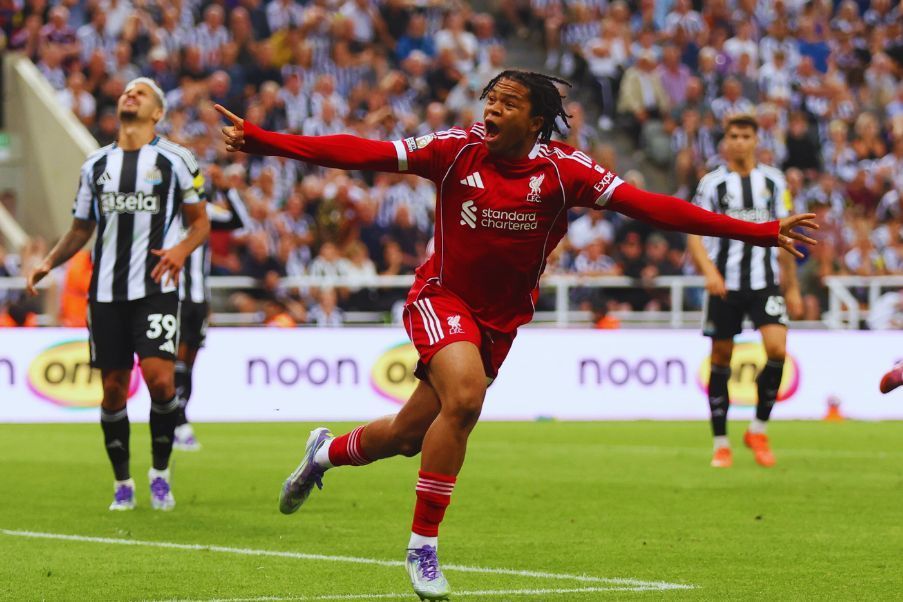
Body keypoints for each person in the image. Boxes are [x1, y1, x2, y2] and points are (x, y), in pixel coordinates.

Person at [216, 70, 817, 600]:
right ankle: (422, 546)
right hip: (440, 298)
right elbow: (359, 152)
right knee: (467, 400)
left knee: (404, 437)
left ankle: (322, 453)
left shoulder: (566, 172)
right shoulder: (454, 150)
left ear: (535, 120)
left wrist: (758, 232)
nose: (491, 109)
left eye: (505, 102)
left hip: (500, 322)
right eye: (489, 99)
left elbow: (653, 206)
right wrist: (265, 141)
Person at [26, 78, 210, 511]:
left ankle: (160, 473)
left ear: (157, 113)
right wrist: (49, 261)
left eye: (141, 92)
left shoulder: (178, 159)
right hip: (105, 293)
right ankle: (122, 481)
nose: (131, 94)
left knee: (161, 379)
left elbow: (199, 222)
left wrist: (181, 251)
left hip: (156, 287)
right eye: (127, 90)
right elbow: (80, 228)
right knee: (112, 389)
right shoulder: (95, 164)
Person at [687, 114, 803, 470]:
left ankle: (758, 429)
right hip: (726, 284)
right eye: (733, 136)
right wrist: (709, 272)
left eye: (745, 136)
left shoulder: (773, 181)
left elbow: (786, 234)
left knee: (777, 349)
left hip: (764, 282)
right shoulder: (712, 184)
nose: (739, 142)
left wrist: (793, 287)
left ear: (756, 140)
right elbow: (692, 232)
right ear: (725, 142)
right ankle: (721, 443)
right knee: (720, 358)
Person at [173, 173, 250, 451]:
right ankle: (178, 422)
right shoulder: (165, 215)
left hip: (198, 300)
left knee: (190, 362)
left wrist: (227, 191)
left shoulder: (204, 214)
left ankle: (180, 419)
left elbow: (241, 223)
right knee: (177, 361)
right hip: (174, 299)